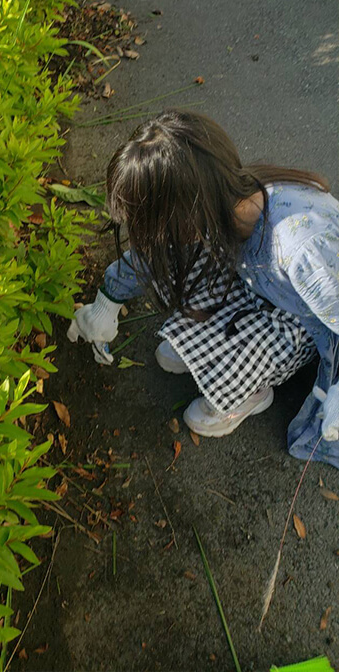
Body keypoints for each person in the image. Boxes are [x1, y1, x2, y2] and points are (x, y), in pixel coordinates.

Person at [67, 110, 339, 467]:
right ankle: (224, 359)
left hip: (307, 319)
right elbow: (157, 254)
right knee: (181, 265)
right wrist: (107, 303)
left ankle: (250, 393)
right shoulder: (218, 202)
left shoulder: (302, 250)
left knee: (228, 354)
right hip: (262, 288)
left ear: (185, 212)